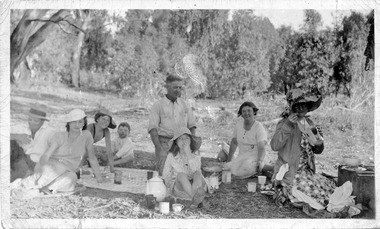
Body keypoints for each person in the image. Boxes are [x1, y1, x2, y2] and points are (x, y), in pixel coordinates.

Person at [270, 88, 336, 210]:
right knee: (318, 200)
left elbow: (317, 150)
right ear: (292, 107)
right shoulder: (284, 123)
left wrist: (318, 141)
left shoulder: (308, 123)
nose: (301, 109)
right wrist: (288, 125)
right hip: (288, 173)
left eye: (304, 105)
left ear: (308, 107)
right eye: (298, 105)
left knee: (329, 190)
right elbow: (274, 146)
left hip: (305, 172)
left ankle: (291, 195)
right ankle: (285, 190)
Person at [15, 109, 105, 195]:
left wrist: (99, 178)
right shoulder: (60, 136)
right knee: (53, 170)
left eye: (80, 122)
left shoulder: (87, 136)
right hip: (52, 165)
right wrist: (41, 164)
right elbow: (47, 154)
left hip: (67, 170)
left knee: (72, 177)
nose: (77, 125)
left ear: (84, 123)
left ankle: (49, 188)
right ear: (69, 123)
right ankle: (28, 184)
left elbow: (92, 158)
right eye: (74, 122)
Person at [148, 73, 197, 175]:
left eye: (180, 87)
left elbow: (192, 126)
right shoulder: (158, 106)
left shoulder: (185, 105)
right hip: (164, 144)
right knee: (165, 175)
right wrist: (159, 149)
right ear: (167, 87)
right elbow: (153, 130)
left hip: (182, 143)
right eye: (175, 87)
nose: (178, 90)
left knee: (183, 173)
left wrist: (193, 146)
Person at [162, 127, 207, 209]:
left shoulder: (196, 153)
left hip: (197, 184)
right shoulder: (171, 156)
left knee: (197, 173)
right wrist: (168, 189)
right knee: (181, 175)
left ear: (190, 140)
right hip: (180, 187)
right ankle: (196, 198)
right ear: (176, 142)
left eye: (186, 138)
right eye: (180, 138)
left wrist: (188, 153)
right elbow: (166, 175)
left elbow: (195, 169)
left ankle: (195, 199)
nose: (184, 141)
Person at [221, 101, 268, 179]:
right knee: (228, 168)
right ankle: (259, 169)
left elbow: (261, 147)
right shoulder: (238, 125)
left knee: (246, 167)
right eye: (244, 111)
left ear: (254, 112)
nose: (247, 113)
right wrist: (229, 160)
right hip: (242, 156)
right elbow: (234, 142)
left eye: (249, 110)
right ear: (241, 114)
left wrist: (260, 160)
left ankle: (266, 167)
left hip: (256, 155)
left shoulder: (258, 127)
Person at [10, 104, 55, 182]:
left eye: (35, 121)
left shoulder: (49, 132)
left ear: (42, 121)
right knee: (11, 143)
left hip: (35, 165)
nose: (31, 123)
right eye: (30, 119)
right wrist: (17, 136)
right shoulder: (21, 127)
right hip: (19, 160)